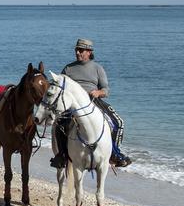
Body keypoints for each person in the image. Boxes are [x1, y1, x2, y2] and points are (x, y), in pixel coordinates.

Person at [50, 38, 132, 168]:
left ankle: (114, 153)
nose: (78, 52)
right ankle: (61, 155)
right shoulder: (68, 68)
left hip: (94, 101)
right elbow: (60, 87)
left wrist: (98, 93)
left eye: (81, 50)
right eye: (77, 49)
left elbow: (106, 90)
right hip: (73, 104)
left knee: (119, 122)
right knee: (59, 124)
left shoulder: (97, 68)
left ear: (89, 52)